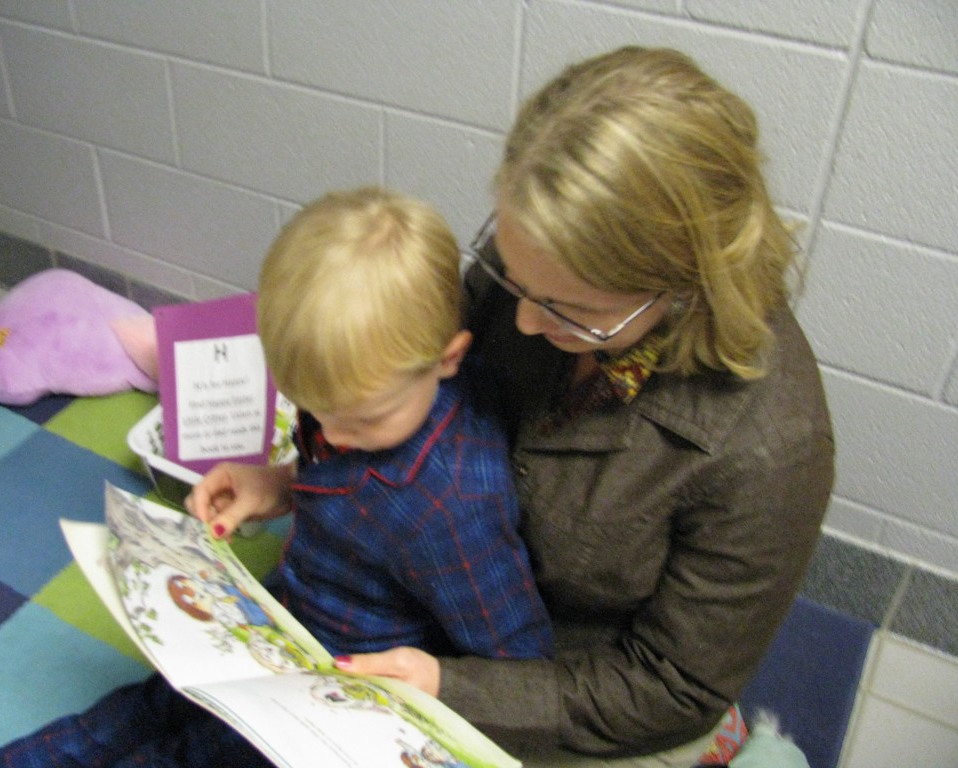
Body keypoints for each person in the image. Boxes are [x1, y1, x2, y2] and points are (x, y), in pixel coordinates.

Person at [196, 47, 835, 767]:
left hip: (581, 691)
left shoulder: (771, 448)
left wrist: (453, 689)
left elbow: (672, 688)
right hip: (435, 613)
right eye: (512, 275)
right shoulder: (542, 265)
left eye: (568, 309)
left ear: (678, 283)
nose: (522, 322)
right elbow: (406, 400)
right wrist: (287, 481)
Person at [0, 186, 552, 768]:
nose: (335, 435)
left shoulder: (453, 503)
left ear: (449, 358)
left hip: (329, 696)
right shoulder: (379, 394)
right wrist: (281, 481)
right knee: (137, 709)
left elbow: (519, 657)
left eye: (363, 420)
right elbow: (347, 470)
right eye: (315, 409)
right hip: (283, 617)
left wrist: (439, 681)